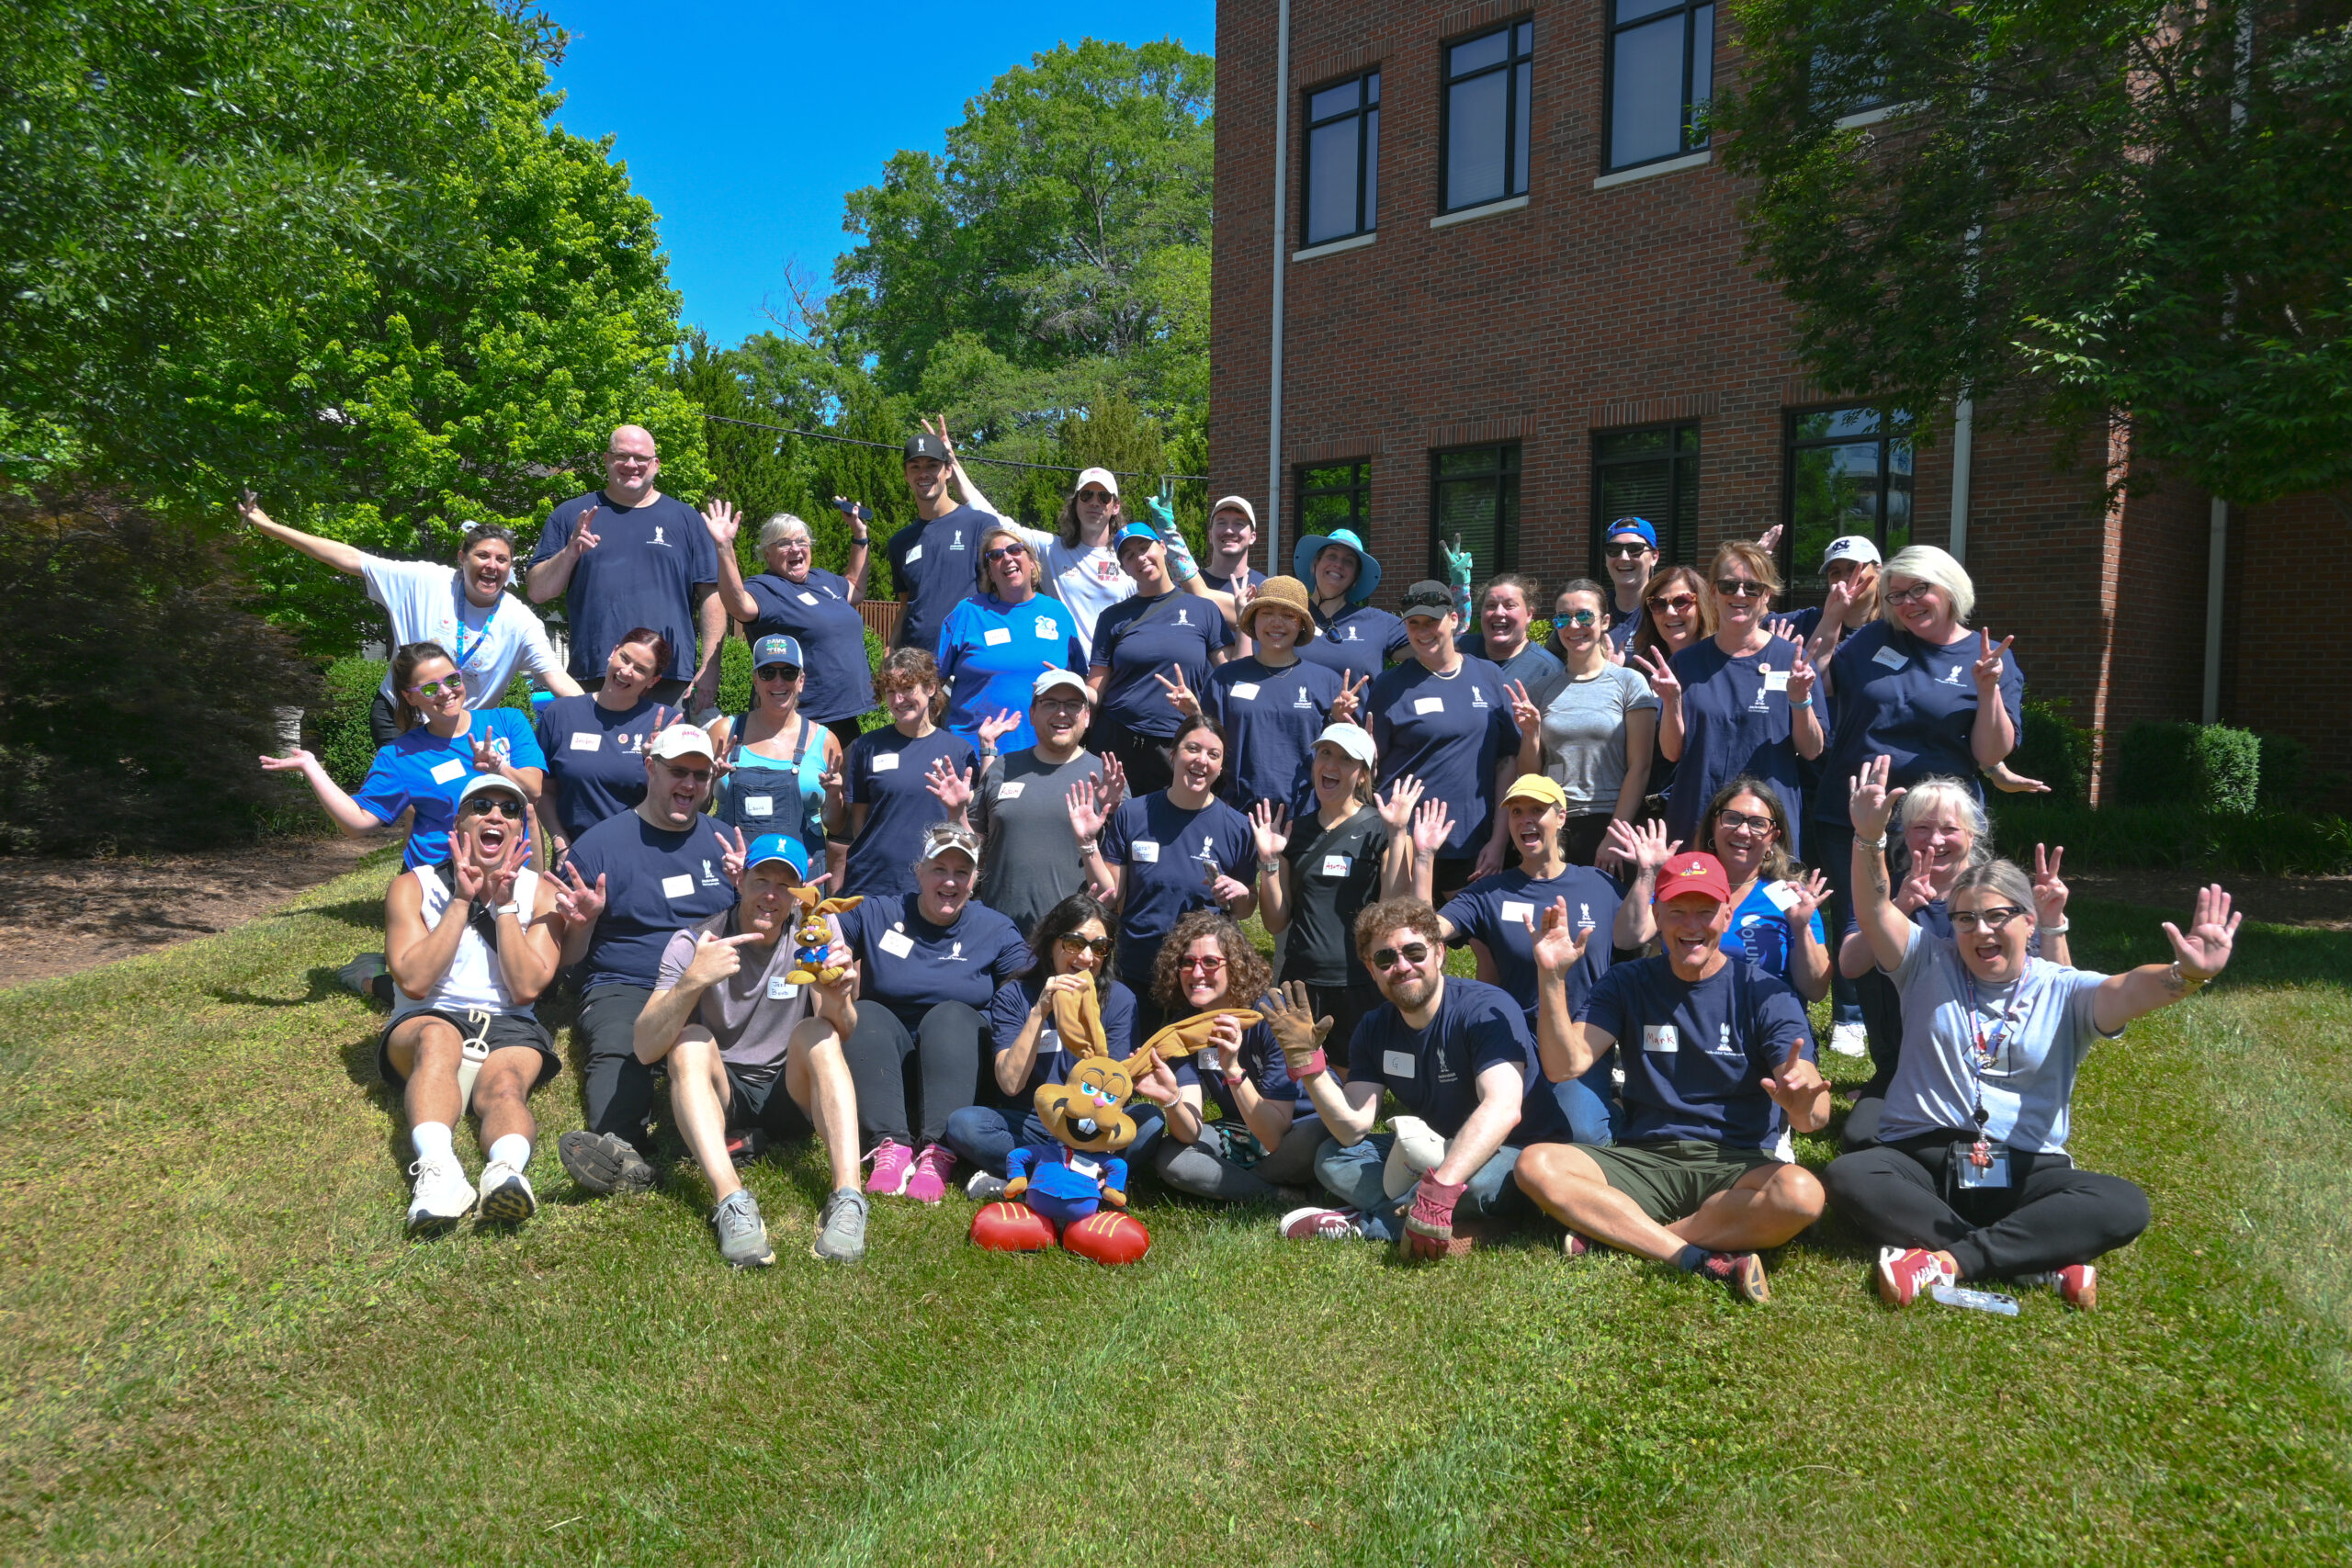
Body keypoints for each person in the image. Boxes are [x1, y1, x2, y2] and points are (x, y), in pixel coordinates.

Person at [1828, 758, 2235, 1311]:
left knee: (2122, 1203)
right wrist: (1869, 838)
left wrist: (2184, 975)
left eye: (1998, 916)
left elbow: (2129, 990)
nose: (1981, 931)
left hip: (2022, 1166)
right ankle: (2032, 1259)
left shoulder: (2064, 987)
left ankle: (1948, 1261)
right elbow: (1875, 908)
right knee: (1852, 1172)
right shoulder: (1925, 961)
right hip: (1922, 1155)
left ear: (2029, 921)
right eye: (1966, 919)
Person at [1511, 852, 1832, 1303]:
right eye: (1677, 911)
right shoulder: (1627, 981)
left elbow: (1814, 1113)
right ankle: (1693, 1254)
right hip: (1645, 1159)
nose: (1691, 925)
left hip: (1736, 1164)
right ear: (1657, 916)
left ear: (1727, 915)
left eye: (1705, 911)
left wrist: (1802, 1103)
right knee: (1535, 1164)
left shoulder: (1766, 992)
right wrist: (1550, 976)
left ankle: (1622, 1234)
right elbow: (1565, 1065)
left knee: (1802, 1195)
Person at [1809, 547, 2025, 1057]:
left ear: (1949, 588)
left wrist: (1988, 690)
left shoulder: (1986, 655)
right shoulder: (1875, 639)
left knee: (1942, 923)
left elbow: (1990, 753)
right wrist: (1832, 618)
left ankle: (1946, 1046)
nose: (1907, 603)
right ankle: (1885, 1057)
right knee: (1866, 926)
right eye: (1896, 595)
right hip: (1855, 812)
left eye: (1919, 590)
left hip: (1937, 825)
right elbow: (1819, 676)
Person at [1274, 897, 1571, 1253]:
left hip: (1521, 1150)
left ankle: (1367, 1224)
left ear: (1440, 954)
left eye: (1414, 952)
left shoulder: (1485, 1008)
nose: (1402, 966)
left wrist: (1442, 1187)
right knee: (1333, 1158)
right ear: (1371, 969)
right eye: (1385, 959)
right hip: (1440, 1147)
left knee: (1479, 1185)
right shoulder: (1373, 1028)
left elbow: (1503, 1108)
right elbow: (1352, 1128)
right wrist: (1310, 1065)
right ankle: (1471, 1218)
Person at [636, 833, 870, 1267]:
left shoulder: (814, 934)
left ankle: (849, 1197)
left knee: (820, 1032)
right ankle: (731, 1201)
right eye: (761, 880)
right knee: (687, 1043)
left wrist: (838, 997)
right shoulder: (696, 942)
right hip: (725, 1093)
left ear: (799, 895)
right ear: (739, 881)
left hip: (788, 1088)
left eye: (785, 885)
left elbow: (845, 1029)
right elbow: (645, 1047)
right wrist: (692, 981)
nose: (771, 895)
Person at [1421, 774, 1668, 1145]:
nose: (1525, 820)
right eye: (1516, 812)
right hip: (1516, 1036)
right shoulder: (1489, 892)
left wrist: (1648, 874)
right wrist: (1424, 858)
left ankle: (1616, 1105)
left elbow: (1633, 937)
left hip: (1581, 1035)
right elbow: (1424, 933)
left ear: (1561, 817)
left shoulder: (1598, 883)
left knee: (1583, 1136)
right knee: (1492, 1129)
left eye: (1537, 810)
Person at [551, 724, 741, 1195]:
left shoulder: (726, 845)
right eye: (678, 772)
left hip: (712, 981)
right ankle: (619, 1148)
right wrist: (584, 922)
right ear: (650, 768)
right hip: (627, 980)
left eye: (701, 775)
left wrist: (748, 890)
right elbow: (566, 960)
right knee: (621, 1045)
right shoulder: (598, 846)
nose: (690, 785)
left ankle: (738, 1131)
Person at [1837, 776, 2072, 1147]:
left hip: (1998, 1061)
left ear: (1973, 836)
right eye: (1922, 828)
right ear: (1905, 835)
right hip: (1910, 1062)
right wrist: (1899, 907)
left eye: (1949, 829)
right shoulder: (1881, 889)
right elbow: (1850, 965)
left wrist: (2051, 923)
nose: (1935, 840)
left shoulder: (2002, 896)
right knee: (1861, 1138)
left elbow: (2060, 990)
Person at [379, 773, 566, 1231]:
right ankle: (438, 1171)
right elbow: (415, 982)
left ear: (520, 829)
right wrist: (462, 901)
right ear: (458, 823)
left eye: (509, 809)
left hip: (510, 1022)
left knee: (506, 1085)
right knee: (437, 1039)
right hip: (428, 1016)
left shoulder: (543, 893)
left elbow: (526, 989)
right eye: (481, 806)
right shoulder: (413, 886)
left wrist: (506, 906)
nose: (495, 815)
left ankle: (505, 1172)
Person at [238, 494, 580, 743]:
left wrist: (601, 717)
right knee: (415, 805)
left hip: (458, 728)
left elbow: (556, 679)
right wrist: (272, 528)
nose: (492, 565)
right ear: (462, 557)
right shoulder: (423, 580)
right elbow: (350, 559)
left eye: (501, 559)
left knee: (451, 806)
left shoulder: (520, 621)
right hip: (399, 716)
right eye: (482, 555)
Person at [834, 821, 1028, 1204]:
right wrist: (812, 923)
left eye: (962, 872)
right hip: (887, 1063)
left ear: (974, 880)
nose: (950, 881)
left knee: (950, 1015)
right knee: (865, 1012)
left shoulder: (996, 929)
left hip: (958, 1065)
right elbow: (819, 934)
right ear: (919, 872)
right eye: (939, 869)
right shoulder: (879, 912)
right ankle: (891, 1146)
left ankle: (939, 1151)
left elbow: (1030, 988)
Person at [261, 640, 546, 872]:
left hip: (507, 871)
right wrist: (311, 767)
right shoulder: (400, 756)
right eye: (430, 688)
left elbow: (533, 791)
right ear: (410, 697)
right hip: (442, 875)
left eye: (452, 679)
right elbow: (358, 824)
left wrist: (499, 767)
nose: (445, 692)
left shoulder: (508, 721)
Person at [945, 893, 1147, 1194]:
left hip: (1094, 1124)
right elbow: (1010, 1084)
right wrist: (1040, 1011)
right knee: (965, 1125)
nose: (1087, 958)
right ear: (1051, 943)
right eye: (1074, 943)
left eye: (1099, 948)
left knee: (1150, 1121)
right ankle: (1087, 1176)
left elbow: (1113, 1093)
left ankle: (1035, 1174)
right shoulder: (1015, 995)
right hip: (1036, 1121)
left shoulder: (1120, 999)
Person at [1077, 715, 1259, 1035]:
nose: (1202, 760)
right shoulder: (1133, 814)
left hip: (1200, 975)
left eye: (1213, 754)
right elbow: (1110, 895)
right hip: (1135, 968)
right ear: (1173, 754)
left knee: (1193, 1062)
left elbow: (1245, 909)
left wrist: (1240, 894)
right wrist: (1088, 843)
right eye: (1193, 749)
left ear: (1220, 767)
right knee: (1126, 1058)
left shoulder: (1238, 827)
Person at [1638, 541, 1821, 860]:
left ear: (1767, 595)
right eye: (1728, 585)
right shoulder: (1686, 664)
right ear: (1713, 592)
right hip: (1699, 819)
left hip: (1766, 827)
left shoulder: (1792, 660)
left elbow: (1812, 749)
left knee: (1766, 894)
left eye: (1752, 587)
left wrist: (1800, 700)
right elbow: (1671, 752)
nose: (1739, 594)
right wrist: (1672, 702)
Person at [526, 424, 726, 714]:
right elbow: (538, 591)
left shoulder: (686, 519)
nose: (631, 464)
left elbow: (712, 595)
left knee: (666, 745)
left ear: (655, 464)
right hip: (593, 674)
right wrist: (569, 553)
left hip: (668, 679)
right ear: (607, 460)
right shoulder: (572, 515)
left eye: (641, 458)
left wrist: (710, 667)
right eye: (622, 456)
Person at [1252, 723, 1416, 1057]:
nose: (1331, 765)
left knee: (1354, 1077)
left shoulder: (1383, 830)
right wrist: (1269, 861)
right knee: (1296, 1075)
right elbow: (1275, 922)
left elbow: (1394, 913)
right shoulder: (1294, 832)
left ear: (1363, 775)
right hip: (1299, 982)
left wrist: (1398, 835)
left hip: (1360, 983)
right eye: (1325, 753)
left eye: (1345, 759)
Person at [1147, 910, 1331, 1203]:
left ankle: (1237, 1180)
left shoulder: (1271, 1018)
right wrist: (1171, 1099)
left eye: (1210, 962)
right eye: (1187, 962)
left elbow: (1274, 1136)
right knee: (1171, 1156)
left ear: (1235, 966)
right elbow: (1190, 1132)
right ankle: (1277, 1193)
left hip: (1296, 1128)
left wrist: (1233, 1070)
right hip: (1240, 1129)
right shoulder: (1182, 1030)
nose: (1196, 973)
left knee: (1317, 1137)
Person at [927, 670, 1112, 942]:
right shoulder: (1002, 768)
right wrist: (957, 812)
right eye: (1050, 703)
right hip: (999, 933)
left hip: (1074, 940)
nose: (1062, 712)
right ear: (1032, 714)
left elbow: (1118, 880)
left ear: (1086, 716)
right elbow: (974, 849)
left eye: (1072, 704)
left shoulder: (1106, 777)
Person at [1368, 581, 1522, 897]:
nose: (1423, 631)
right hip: (1405, 840)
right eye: (1414, 623)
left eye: (1431, 621)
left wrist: (1498, 841)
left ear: (1453, 620)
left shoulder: (1489, 676)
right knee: (1406, 926)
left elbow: (1507, 762)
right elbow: (1372, 768)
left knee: (1474, 928)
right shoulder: (1389, 685)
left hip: (1470, 841)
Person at [1181, 575, 1350, 810]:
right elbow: (1207, 745)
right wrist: (1194, 714)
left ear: (1301, 624)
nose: (1276, 622)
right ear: (1254, 619)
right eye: (1267, 612)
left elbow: (1342, 758)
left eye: (1288, 615)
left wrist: (1339, 720)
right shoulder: (1224, 678)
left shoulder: (1327, 682)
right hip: (1236, 813)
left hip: (1307, 817)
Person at [1089, 523, 1233, 795]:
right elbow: (1096, 688)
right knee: (1110, 819)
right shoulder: (1111, 618)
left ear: (1163, 547)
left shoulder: (1204, 610)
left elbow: (1230, 676)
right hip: (1116, 741)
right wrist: (1070, 688)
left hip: (1176, 744)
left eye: (1145, 548)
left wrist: (1200, 712)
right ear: (1124, 568)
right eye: (1129, 555)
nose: (1140, 558)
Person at [1523, 578, 1658, 866]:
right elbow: (1530, 775)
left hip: (1609, 822)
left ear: (1605, 621)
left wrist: (1615, 834)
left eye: (1584, 616)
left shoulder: (1630, 682)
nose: (1574, 626)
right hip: (1554, 822)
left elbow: (1640, 767)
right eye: (1563, 618)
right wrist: (1530, 733)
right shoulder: (1540, 690)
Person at [718, 511, 875, 753]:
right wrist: (724, 547)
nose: (795, 548)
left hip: (843, 718)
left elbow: (856, 587)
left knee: (848, 779)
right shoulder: (766, 588)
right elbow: (739, 605)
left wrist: (860, 535)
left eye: (802, 541)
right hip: (797, 720)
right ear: (767, 553)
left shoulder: (823, 580)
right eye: (784, 543)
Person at [833, 649, 976, 899]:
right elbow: (859, 823)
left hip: (932, 884)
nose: (899, 700)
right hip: (872, 882)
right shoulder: (867, 746)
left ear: (931, 688)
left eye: (908, 688)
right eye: (891, 691)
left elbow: (968, 826)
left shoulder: (958, 751)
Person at [708, 636, 847, 889]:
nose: (778, 682)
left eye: (788, 673)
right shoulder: (724, 732)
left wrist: (834, 794)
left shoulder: (825, 741)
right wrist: (707, 780)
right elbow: (696, 809)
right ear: (755, 680)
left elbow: (835, 825)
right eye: (768, 672)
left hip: (799, 880)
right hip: (733, 876)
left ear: (801, 681)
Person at [935, 521, 1087, 754]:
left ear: (1032, 562)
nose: (1006, 558)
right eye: (995, 555)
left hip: (1044, 756)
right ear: (990, 573)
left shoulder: (1058, 613)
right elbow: (933, 683)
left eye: (1015, 550)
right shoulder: (967, 612)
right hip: (973, 753)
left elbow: (1079, 682)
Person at [532, 627, 676, 858]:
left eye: (640, 669)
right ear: (613, 652)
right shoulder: (560, 714)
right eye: (624, 658)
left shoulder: (665, 722)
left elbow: (675, 801)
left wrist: (655, 764)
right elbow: (544, 790)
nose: (626, 671)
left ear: (653, 680)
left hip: (642, 856)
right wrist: (561, 844)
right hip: (575, 856)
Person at [1701, 778, 1832, 1004]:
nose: (1743, 831)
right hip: (1692, 1014)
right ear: (1714, 824)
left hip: (1766, 1019)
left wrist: (1800, 929)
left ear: (1773, 837)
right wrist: (1648, 875)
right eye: (1732, 818)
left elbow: (1816, 991)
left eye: (1758, 824)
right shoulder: (1688, 883)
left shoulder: (1786, 894)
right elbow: (1635, 936)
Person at [1621, 564, 1714, 821]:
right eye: (1659, 604)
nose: (1670, 612)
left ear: (1702, 605)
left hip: (1707, 807)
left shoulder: (1720, 666)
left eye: (1682, 601)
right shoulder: (1638, 672)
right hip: (1652, 811)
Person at [1293, 527, 1408, 688]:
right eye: (1332, 556)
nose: (1338, 564)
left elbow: (1432, 650)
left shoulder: (1378, 623)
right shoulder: (1289, 615)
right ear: (1315, 564)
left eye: (1349, 561)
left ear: (1356, 578)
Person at [1459, 573, 1563, 692]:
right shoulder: (1458, 649)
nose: (1499, 613)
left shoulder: (1548, 670)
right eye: (1491, 605)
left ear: (1529, 614)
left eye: (1510, 605)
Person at [1597, 517, 1661, 654]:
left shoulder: (1665, 609)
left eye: (1635, 549)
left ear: (1654, 557)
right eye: (1614, 549)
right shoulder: (1593, 611)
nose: (1624, 557)